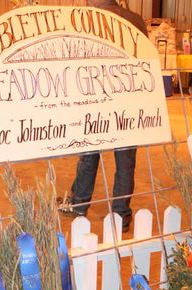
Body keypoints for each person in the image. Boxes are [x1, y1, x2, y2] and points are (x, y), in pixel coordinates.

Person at [59, 0, 148, 233]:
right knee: (125, 161)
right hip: (128, 102)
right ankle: (121, 214)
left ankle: (79, 204)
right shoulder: (136, 21)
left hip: (95, 101)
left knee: (89, 154)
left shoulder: (83, 20)